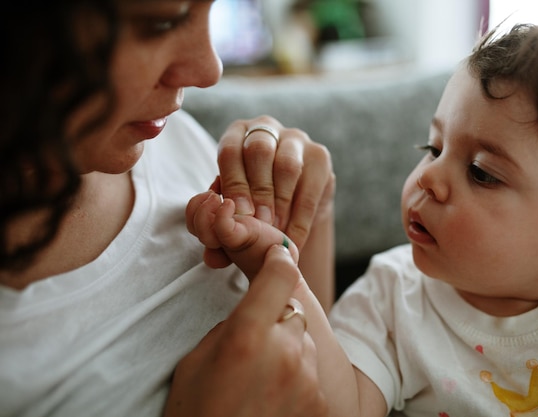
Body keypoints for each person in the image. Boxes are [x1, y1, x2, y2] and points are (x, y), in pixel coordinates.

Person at [193, 17, 538, 417]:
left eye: (480, 173)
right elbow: (339, 407)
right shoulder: (391, 297)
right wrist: (279, 265)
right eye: (433, 149)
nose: (429, 178)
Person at [0, 1, 335, 417]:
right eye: (162, 22)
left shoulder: (159, 134)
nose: (209, 70)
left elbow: (319, 379)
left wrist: (311, 214)